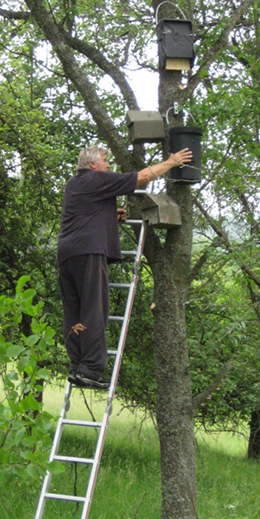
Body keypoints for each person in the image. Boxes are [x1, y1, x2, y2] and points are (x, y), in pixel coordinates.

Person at [57, 144, 193, 390]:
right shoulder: (96, 178)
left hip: (67, 254)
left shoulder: (74, 183)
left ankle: (77, 365)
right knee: (94, 309)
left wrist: (109, 214)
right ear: (93, 164)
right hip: (89, 252)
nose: (108, 165)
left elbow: (87, 212)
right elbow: (142, 177)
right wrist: (172, 161)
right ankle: (90, 369)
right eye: (105, 161)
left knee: (74, 311)